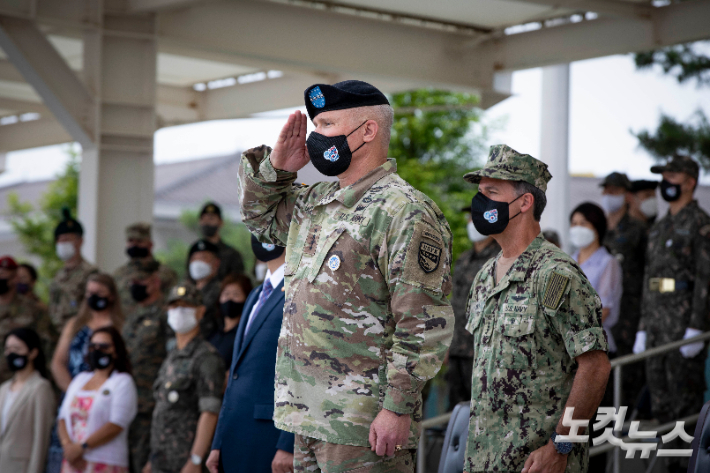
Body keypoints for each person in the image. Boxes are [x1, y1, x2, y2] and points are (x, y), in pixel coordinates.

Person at [238, 80, 454, 472]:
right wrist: (278, 169)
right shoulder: (315, 202)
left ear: (367, 131)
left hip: (362, 424)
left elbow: (422, 324)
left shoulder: (403, 211)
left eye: (326, 125)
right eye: (315, 126)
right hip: (305, 416)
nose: (315, 136)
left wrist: (397, 407)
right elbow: (260, 219)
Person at [462, 144, 610, 473]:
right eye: (480, 192)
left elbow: (595, 367)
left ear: (525, 202)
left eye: (491, 191)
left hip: (538, 462)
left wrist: (562, 444)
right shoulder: (485, 275)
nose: (480, 201)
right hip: (484, 460)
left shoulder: (556, 274)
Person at [633, 155, 710, 473]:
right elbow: (650, 280)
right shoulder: (659, 226)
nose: (665, 182)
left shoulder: (700, 223)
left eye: (672, 176)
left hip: (683, 329)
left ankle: (688, 467)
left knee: (685, 409)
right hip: (655, 328)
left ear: (690, 181)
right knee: (662, 408)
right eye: (662, 175)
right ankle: (668, 466)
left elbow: (706, 278)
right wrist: (641, 327)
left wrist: (696, 327)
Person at [206, 238, 293, 473]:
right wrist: (218, 441)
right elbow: (237, 373)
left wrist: (289, 443)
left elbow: (303, 368)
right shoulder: (256, 295)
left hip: (269, 438)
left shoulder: (298, 290)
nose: (259, 233)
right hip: (235, 435)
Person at [144, 283, 225, 473]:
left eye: (186, 306)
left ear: (200, 311)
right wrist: (151, 460)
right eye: (174, 306)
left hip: (186, 462)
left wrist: (195, 460)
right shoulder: (172, 354)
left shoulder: (206, 357)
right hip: (161, 460)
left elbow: (210, 412)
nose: (178, 311)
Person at [57, 327, 137, 473]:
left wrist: (82, 448)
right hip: (73, 462)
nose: (97, 350)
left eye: (104, 346)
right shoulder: (80, 379)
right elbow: (62, 417)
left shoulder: (122, 382)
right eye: (93, 346)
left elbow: (116, 424)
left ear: (116, 350)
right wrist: (68, 447)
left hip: (105, 462)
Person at [599, 172, 647, 404]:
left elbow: (647, 270)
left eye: (615, 191)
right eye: (607, 190)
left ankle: (628, 425)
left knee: (628, 370)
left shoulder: (638, 229)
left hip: (628, 309)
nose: (609, 195)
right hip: (602, 312)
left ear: (627, 195)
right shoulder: (597, 230)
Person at [447, 208, 500, 408]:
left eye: (475, 217)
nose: (471, 222)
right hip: (457, 346)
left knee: (481, 407)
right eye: (469, 218)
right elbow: (454, 302)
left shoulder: (499, 257)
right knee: (455, 408)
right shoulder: (464, 258)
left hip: (482, 349)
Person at [121, 261, 170, 473]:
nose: (136, 286)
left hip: (149, 403)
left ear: (155, 282)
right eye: (133, 282)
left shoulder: (166, 313)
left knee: (144, 462)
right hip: (126, 401)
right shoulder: (132, 314)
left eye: (141, 281)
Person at [52, 273, 125, 392]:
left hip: (107, 394)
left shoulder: (120, 326)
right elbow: (58, 363)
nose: (94, 296)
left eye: (100, 292)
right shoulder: (74, 324)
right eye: (90, 292)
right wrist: (74, 393)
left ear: (111, 296)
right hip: (75, 395)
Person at [0, 328, 55, 473]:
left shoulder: (40, 388)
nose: (11, 353)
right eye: (8, 349)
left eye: (17, 348)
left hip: (21, 467)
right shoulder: (4, 389)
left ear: (33, 352)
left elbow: (41, 438)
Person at [570, 202, 623, 354]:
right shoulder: (568, 261)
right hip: (568, 345)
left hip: (593, 345)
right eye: (574, 224)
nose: (577, 228)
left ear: (596, 227)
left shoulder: (608, 263)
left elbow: (604, 309)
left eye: (583, 223)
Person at [0, 256, 56, 384]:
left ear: (15, 279)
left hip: (20, 383)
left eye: (3, 274)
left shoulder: (32, 310)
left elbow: (48, 346)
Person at [113, 223, 178, 317]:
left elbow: (172, 302)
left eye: (139, 241)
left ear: (150, 244)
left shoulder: (166, 273)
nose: (134, 245)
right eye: (130, 241)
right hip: (125, 324)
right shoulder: (119, 274)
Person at [49, 209, 98, 332]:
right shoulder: (58, 274)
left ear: (80, 241)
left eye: (67, 239)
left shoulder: (91, 273)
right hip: (56, 335)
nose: (62, 243)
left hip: (78, 333)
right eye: (59, 240)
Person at [207, 272, 252, 370]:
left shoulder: (246, 335)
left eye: (236, 294)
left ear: (247, 299)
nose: (229, 298)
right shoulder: (213, 333)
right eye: (226, 294)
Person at [198, 202, 245, 280]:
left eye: (211, 219)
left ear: (220, 222)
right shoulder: (195, 251)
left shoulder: (232, 254)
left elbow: (237, 281)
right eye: (203, 219)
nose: (206, 223)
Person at [187, 240, 222, 339]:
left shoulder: (221, 290)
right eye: (194, 259)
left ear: (216, 263)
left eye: (203, 258)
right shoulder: (187, 290)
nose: (197, 263)